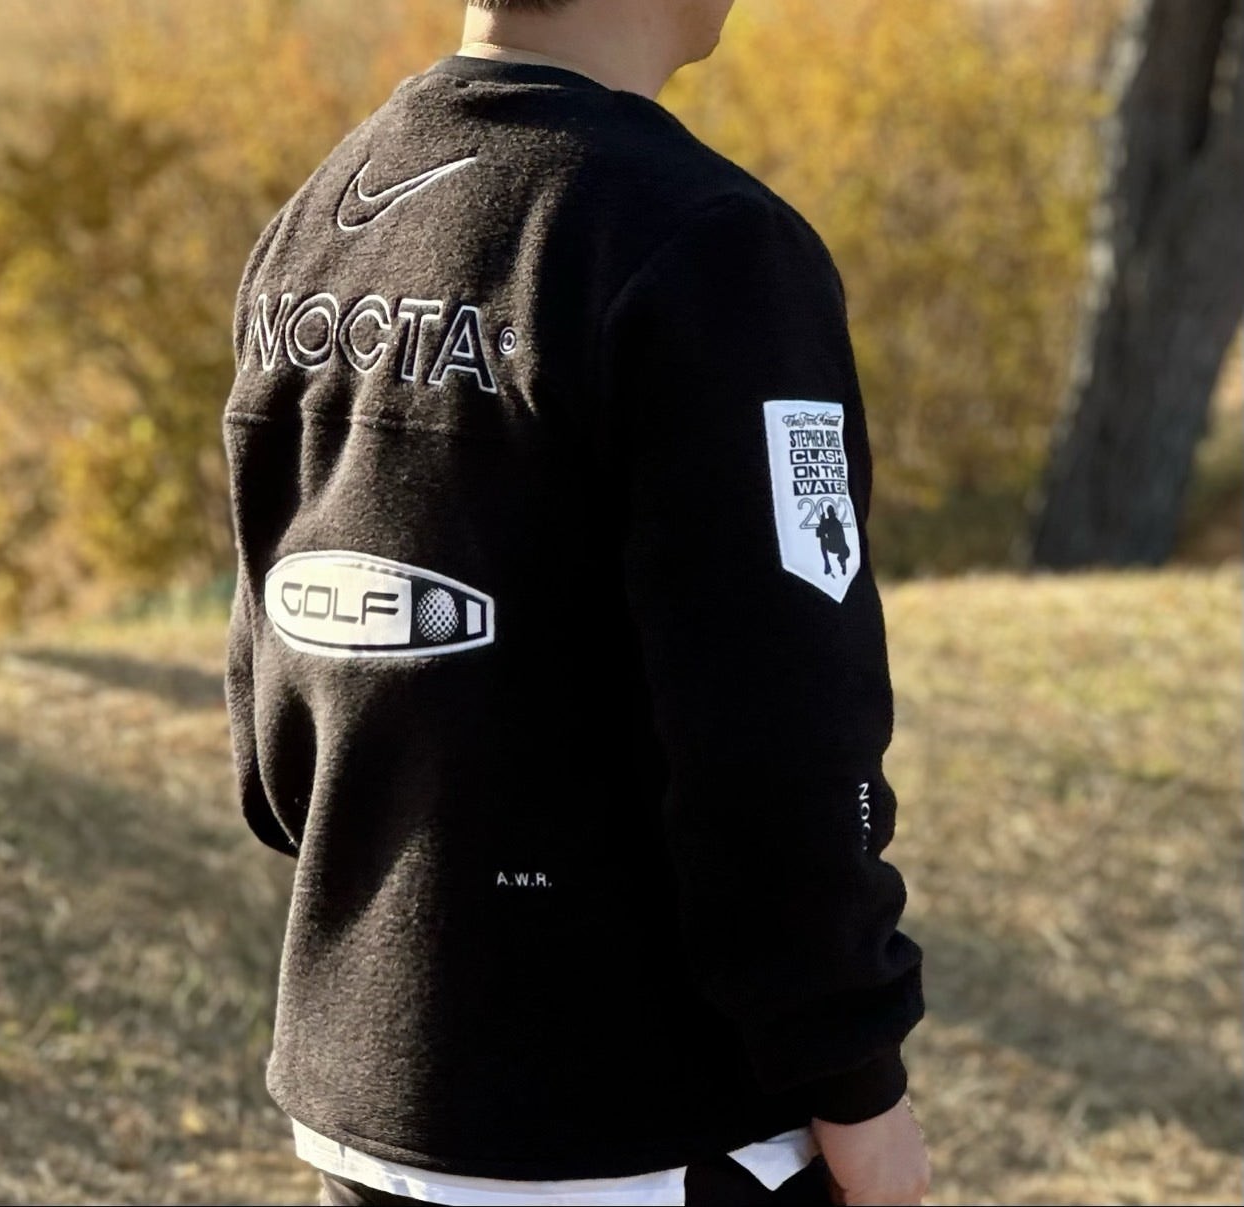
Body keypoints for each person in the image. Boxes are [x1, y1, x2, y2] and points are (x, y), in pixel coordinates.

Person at [220, 1, 929, 1203]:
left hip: (364, 1097)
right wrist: (855, 1073)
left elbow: (273, 726)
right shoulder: (709, 246)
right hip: (638, 1126)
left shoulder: (319, 220)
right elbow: (781, 726)